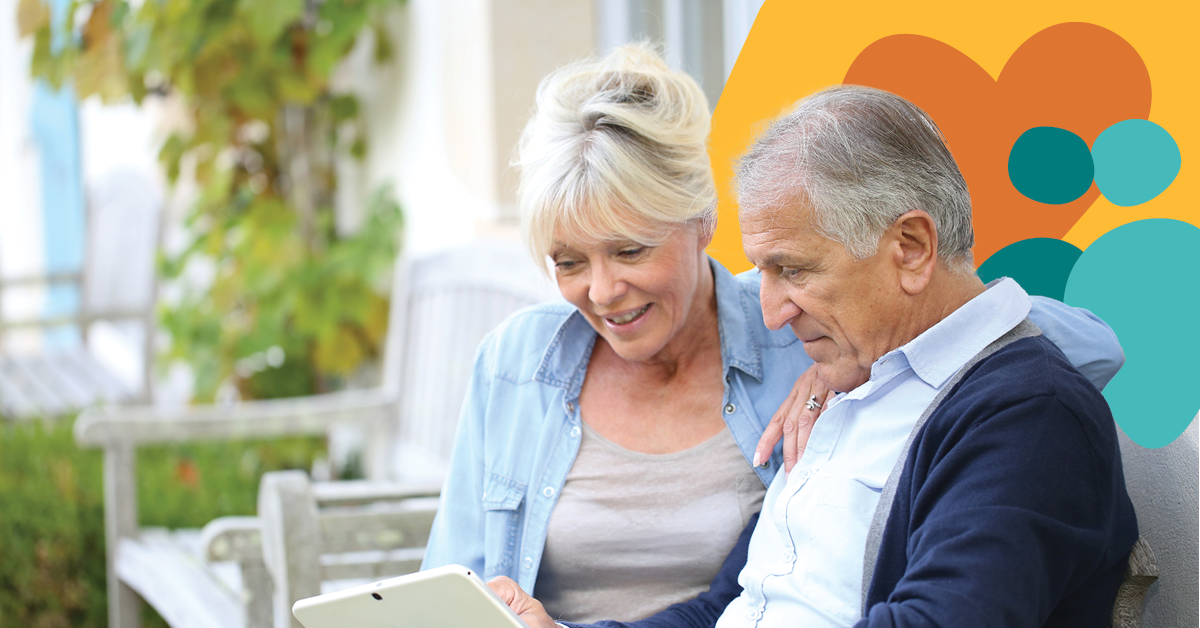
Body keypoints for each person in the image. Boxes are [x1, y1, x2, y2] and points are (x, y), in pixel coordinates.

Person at [426, 51, 1128, 624]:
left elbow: (1030, 348)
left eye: (790, 270)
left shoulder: (902, 375)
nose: (602, 290)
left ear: (911, 248)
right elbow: (731, 604)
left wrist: (893, 359)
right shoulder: (854, 369)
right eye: (569, 262)